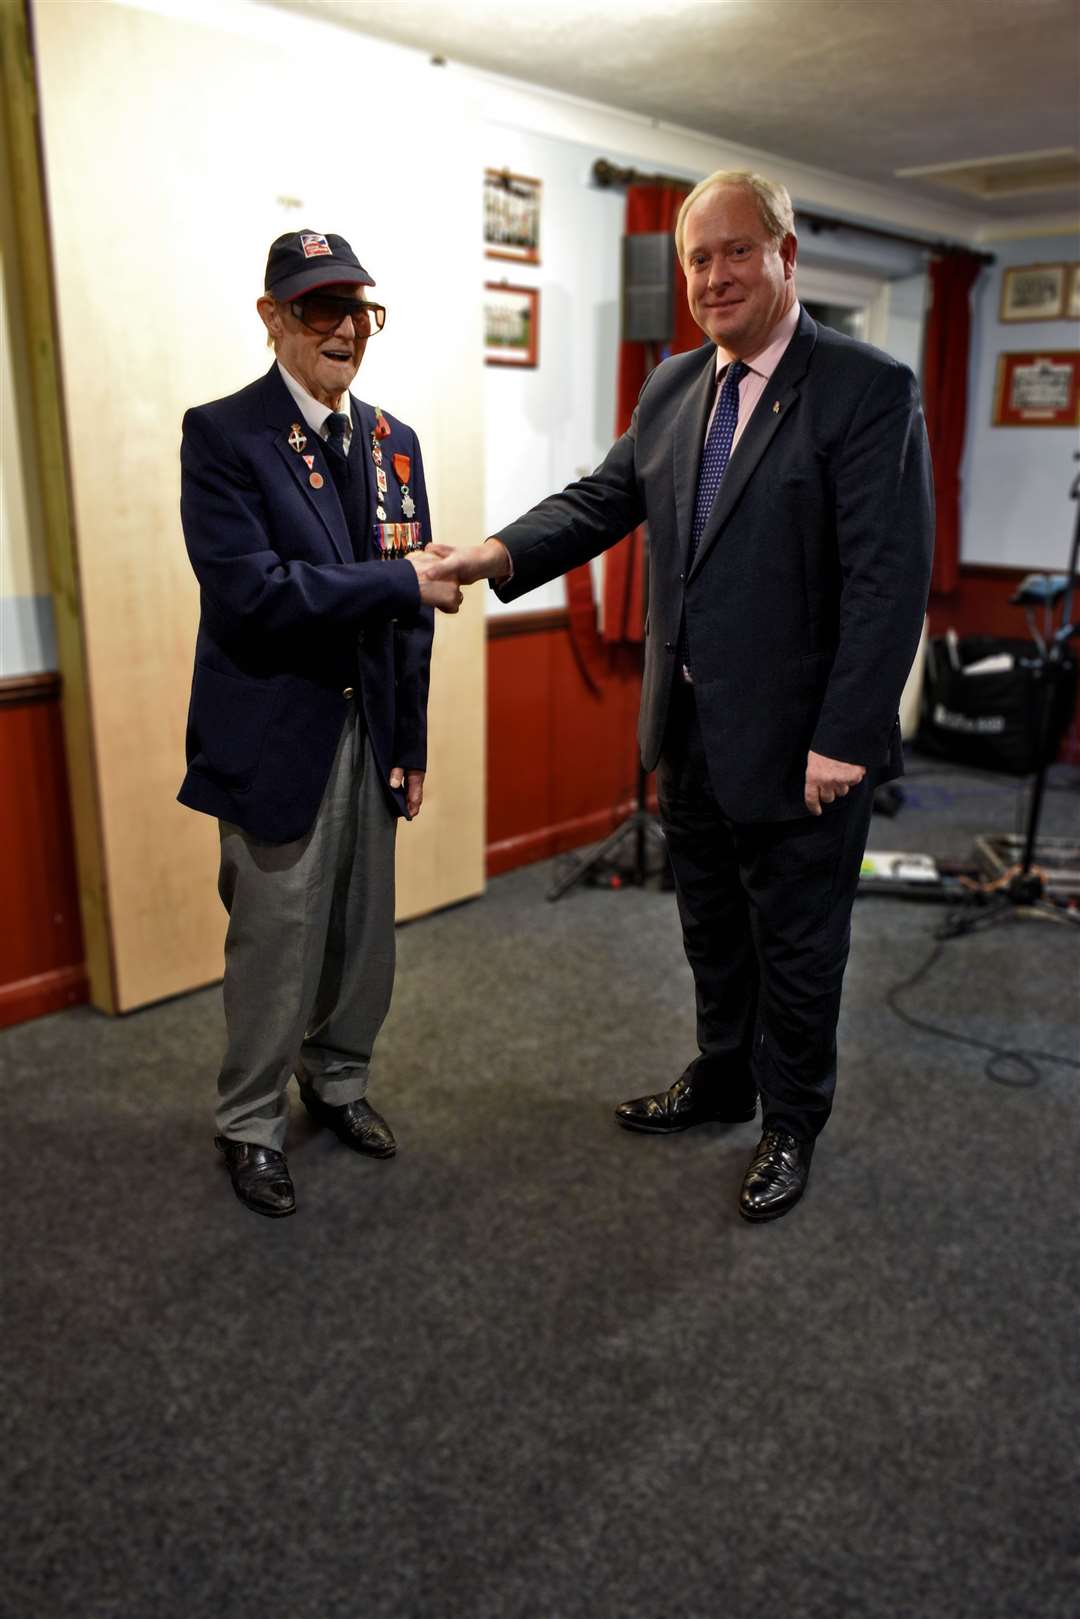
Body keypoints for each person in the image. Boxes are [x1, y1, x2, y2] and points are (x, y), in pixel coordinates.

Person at [433, 171, 933, 1222]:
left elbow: (889, 582)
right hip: (691, 725)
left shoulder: (864, 388)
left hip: (807, 745)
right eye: (697, 259)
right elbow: (602, 498)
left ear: (784, 251)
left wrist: (847, 734)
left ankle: (791, 1123)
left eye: (735, 251)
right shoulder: (672, 389)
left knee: (798, 946)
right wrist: (490, 552)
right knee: (711, 925)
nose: (713, 276)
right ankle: (721, 1076)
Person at [178, 229, 461, 1218]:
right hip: (273, 733)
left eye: (356, 310)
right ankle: (249, 1121)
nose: (343, 329)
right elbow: (256, 595)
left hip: (371, 726)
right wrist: (399, 578)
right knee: (275, 936)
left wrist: (413, 740)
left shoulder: (394, 444)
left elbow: (410, 608)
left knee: (358, 928)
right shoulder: (223, 437)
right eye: (317, 308)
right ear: (272, 318)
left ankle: (338, 1078)